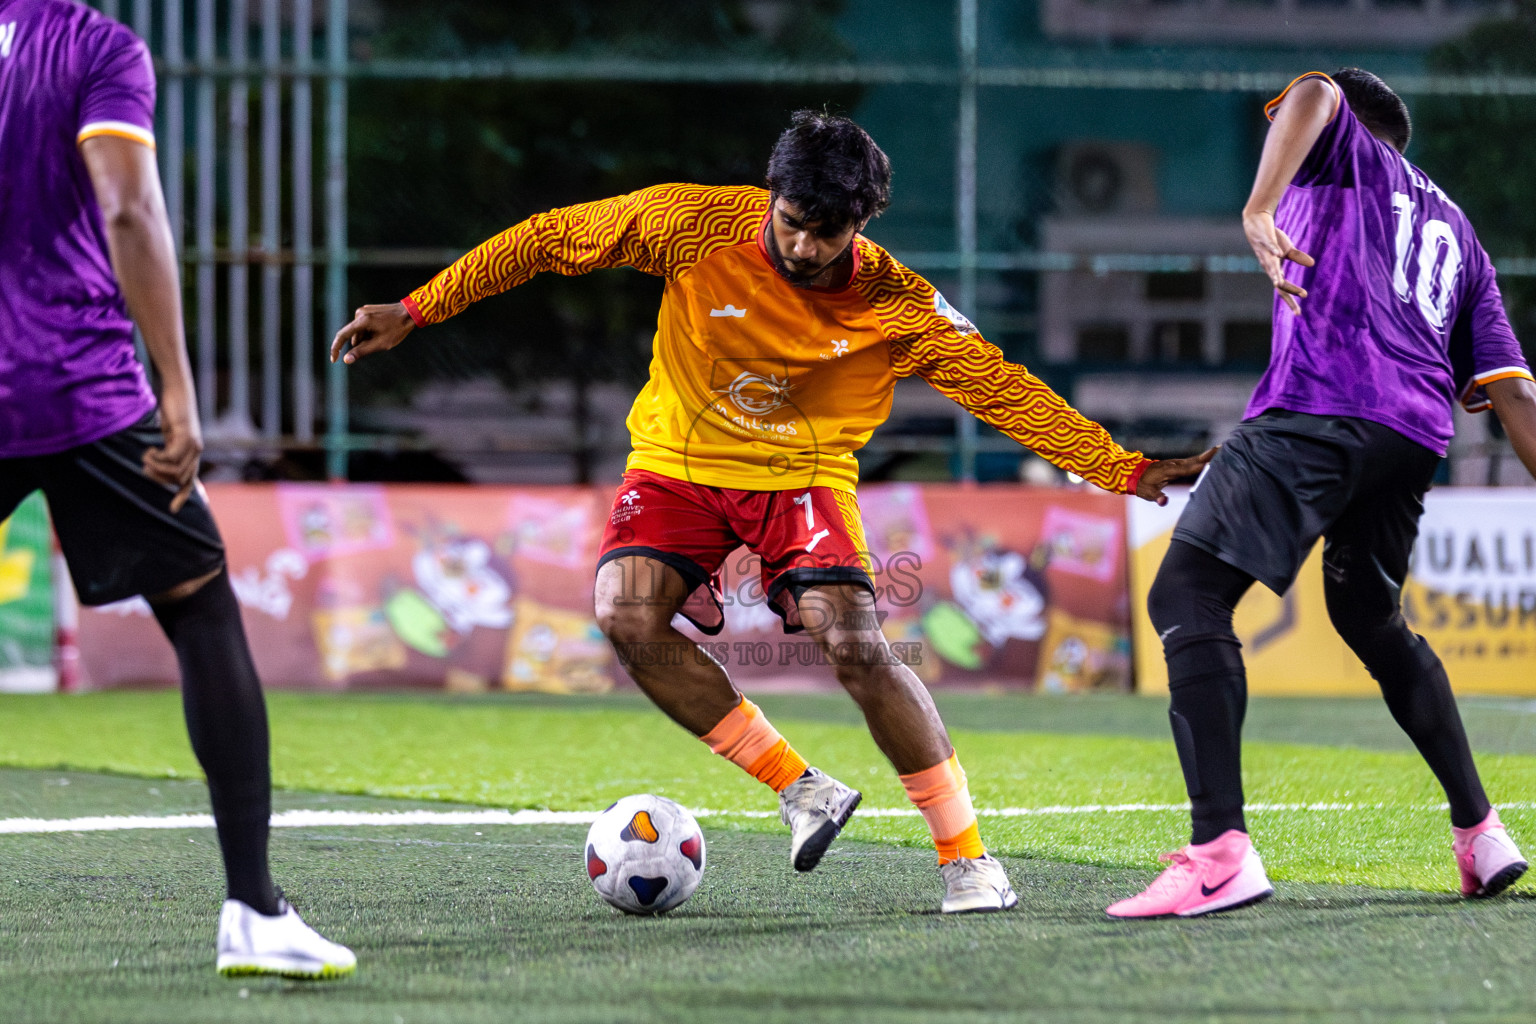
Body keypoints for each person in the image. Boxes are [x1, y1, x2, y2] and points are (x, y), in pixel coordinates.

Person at [333, 110, 1208, 913]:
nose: (800, 243)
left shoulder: (898, 304)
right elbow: (547, 239)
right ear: (772, 194)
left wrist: (1118, 468)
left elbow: (1001, 389)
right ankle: (804, 790)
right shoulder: (690, 221)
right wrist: (418, 308)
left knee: (856, 642)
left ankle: (968, 859)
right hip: (675, 464)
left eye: (825, 232)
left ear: (861, 225)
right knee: (624, 615)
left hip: (803, 476)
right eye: (790, 219)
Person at [1107, 68, 1535, 919]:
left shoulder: (1346, 153)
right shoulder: (1460, 234)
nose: (1283, 143)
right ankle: (1481, 832)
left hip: (1322, 404)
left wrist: (1258, 208)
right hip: (1411, 439)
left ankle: (1220, 854)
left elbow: (1313, 91)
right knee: (1370, 620)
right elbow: (1515, 394)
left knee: (1187, 593)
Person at [0, 0, 354, 976]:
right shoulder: (95, 46)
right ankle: (254, 908)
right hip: (78, 386)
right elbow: (128, 205)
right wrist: (180, 389)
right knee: (201, 606)